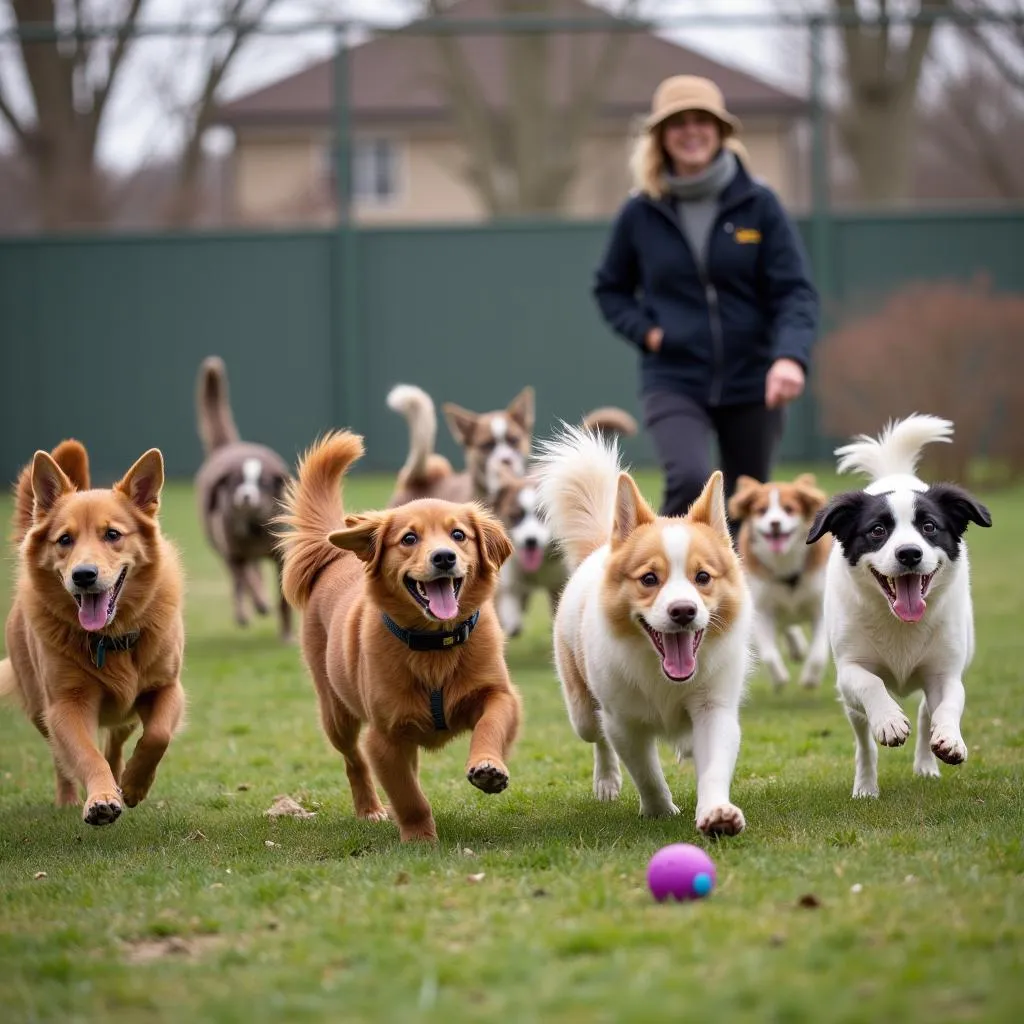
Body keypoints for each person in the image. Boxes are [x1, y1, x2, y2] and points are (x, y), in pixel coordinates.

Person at [593, 74, 818, 530]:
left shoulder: (759, 204)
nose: (691, 131)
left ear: (720, 131)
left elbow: (794, 290)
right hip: (675, 375)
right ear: (660, 137)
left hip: (755, 378)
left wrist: (789, 358)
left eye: (702, 121)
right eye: (678, 123)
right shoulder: (640, 212)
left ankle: (730, 601)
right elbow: (609, 289)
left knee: (741, 499)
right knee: (690, 480)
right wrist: (649, 333)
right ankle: (667, 595)